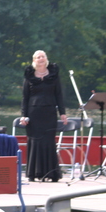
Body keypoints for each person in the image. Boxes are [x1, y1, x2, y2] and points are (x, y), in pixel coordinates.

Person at [20, 50, 67, 182]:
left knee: (48, 142)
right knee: (35, 142)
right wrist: (24, 115)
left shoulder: (54, 75)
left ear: (46, 59)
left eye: (43, 56)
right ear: (34, 60)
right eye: (38, 57)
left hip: (49, 113)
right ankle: (33, 173)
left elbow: (59, 95)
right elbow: (25, 97)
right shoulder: (29, 76)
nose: (41, 59)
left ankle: (51, 173)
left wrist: (62, 113)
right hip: (33, 113)